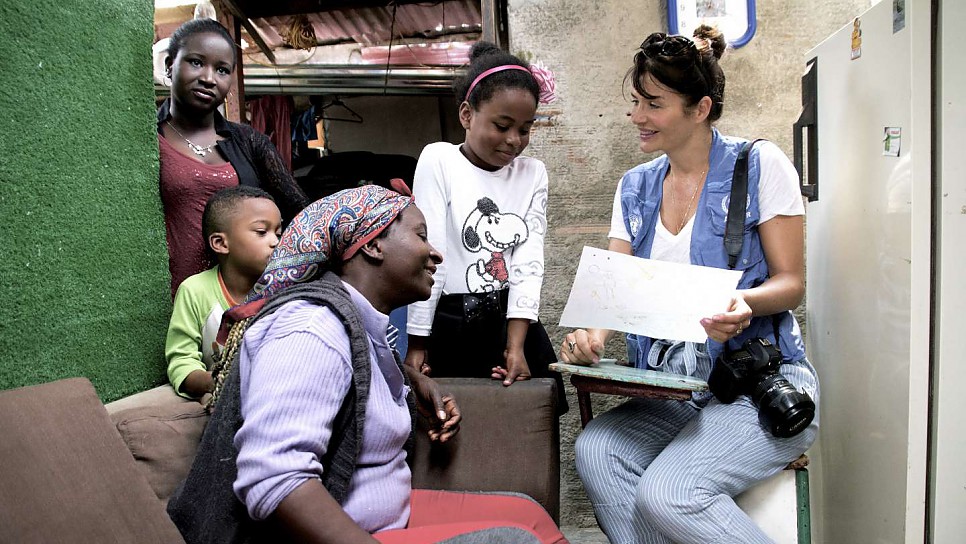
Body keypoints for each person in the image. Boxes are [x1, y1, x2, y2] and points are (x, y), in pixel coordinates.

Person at [166, 183, 567, 544]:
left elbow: (347, 376)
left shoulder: (358, 325)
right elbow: (275, 479)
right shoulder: (309, 328)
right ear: (372, 245)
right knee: (515, 541)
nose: (436, 253)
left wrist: (410, 380)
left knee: (526, 512)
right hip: (351, 532)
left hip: (386, 516)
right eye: (421, 235)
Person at [558, 26, 820, 544]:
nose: (636, 117)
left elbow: (791, 283)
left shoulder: (758, 164)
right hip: (677, 391)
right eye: (635, 101)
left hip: (753, 386)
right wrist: (591, 337)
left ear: (699, 109)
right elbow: (616, 292)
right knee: (596, 449)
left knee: (669, 493)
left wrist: (742, 302)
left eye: (653, 103)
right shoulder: (634, 187)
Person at [403, 42, 566, 410]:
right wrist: (417, 343)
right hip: (449, 327)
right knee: (450, 429)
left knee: (521, 429)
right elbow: (430, 257)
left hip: (511, 324)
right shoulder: (439, 160)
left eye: (526, 129)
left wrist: (516, 346)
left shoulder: (532, 173)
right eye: (502, 125)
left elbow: (528, 264)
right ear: (466, 114)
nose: (514, 140)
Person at [158, 18, 308, 297]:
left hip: (245, 300)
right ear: (169, 65)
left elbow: (301, 212)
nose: (208, 78)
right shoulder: (148, 142)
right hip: (172, 300)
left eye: (222, 70)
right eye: (195, 62)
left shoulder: (250, 143)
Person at [165, 186, 281, 399]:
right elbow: (182, 361)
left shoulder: (282, 290)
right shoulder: (194, 290)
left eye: (278, 232)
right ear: (220, 243)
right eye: (262, 232)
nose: (275, 242)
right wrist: (215, 383)